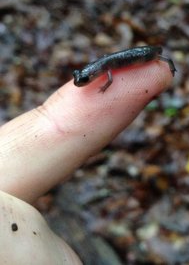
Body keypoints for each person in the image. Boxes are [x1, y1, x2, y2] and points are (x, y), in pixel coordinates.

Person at [0, 60, 173, 264]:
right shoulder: (103, 68)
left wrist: (106, 87)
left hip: (140, 56)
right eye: (79, 77)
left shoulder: (106, 69)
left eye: (83, 79)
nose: (79, 82)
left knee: (154, 62)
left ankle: (166, 63)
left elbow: (109, 78)